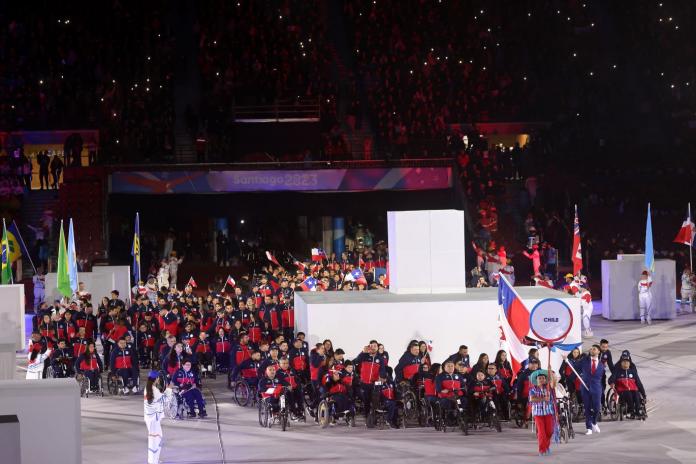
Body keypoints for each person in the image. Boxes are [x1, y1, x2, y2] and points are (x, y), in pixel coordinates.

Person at [576, 344, 605, 435]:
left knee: (597, 407)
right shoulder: (584, 360)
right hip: (585, 387)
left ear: (598, 351)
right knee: (587, 407)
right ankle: (589, 427)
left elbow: (602, 378)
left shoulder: (601, 364)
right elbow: (575, 366)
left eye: (594, 349)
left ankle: (594, 422)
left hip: (596, 388)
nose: (591, 350)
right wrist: (566, 360)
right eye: (591, 348)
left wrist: (602, 388)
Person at [528, 364, 557, 456]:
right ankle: (542, 449)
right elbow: (532, 399)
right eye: (539, 378)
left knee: (549, 431)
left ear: (545, 380)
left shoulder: (549, 388)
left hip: (548, 412)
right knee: (541, 432)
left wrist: (550, 372)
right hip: (538, 413)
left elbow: (554, 383)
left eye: (543, 378)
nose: (541, 380)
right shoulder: (532, 389)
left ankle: (546, 446)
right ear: (536, 380)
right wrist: (543, 399)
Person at [144, 370, 171, 464]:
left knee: (156, 438)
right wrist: (169, 389)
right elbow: (165, 400)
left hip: (150, 418)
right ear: (156, 379)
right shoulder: (154, 390)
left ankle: (154, 459)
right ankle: (152, 461)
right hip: (153, 419)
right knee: (154, 440)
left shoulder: (147, 388)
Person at [608, 354, 646, 419]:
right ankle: (631, 412)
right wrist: (612, 383)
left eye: (627, 362)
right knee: (628, 393)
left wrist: (644, 395)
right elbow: (610, 379)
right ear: (621, 363)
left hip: (633, 390)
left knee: (636, 393)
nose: (626, 363)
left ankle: (637, 411)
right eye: (624, 361)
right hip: (622, 391)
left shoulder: (633, 372)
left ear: (629, 363)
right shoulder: (617, 372)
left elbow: (639, 384)